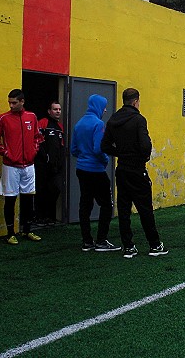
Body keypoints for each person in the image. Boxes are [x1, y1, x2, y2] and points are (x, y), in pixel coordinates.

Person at [101, 88, 168, 258]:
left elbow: (105, 146)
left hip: (122, 169)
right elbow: (145, 145)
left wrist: (121, 154)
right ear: (136, 101)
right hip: (137, 170)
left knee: (123, 210)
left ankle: (128, 246)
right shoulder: (139, 119)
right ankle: (154, 245)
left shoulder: (112, 120)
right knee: (145, 208)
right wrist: (141, 157)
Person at [71, 94, 121, 252]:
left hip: (82, 169)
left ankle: (87, 241)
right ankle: (101, 240)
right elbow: (99, 149)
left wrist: (84, 158)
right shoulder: (98, 124)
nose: (105, 109)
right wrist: (105, 160)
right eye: (104, 106)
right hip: (96, 170)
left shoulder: (79, 124)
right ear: (98, 106)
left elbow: (73, 150)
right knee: (106, 204)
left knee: (85, 204)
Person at [0, 89, 43, 244]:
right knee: (10, 199)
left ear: (22, 101)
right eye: (9, 102)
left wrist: (34, 151)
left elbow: (37, 137)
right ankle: (10, 233)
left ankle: (27, 230)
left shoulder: (32, 117)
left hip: (29, 165)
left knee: (29, 198)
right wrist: (6, 153)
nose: (11, 105)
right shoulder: (3, 118)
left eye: (14, 102)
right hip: (10, 166)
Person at [34, 101, 65, 225]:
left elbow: (61, 146)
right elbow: (38, 141)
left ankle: (49, 216)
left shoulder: (60, 127)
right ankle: (39, 217)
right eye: (55, 109)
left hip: (56, 167)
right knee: (41, 190)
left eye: (59, 109)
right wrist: (45, 157)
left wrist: (60, 162)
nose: (58, 111)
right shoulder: (43, 123)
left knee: (55, 189)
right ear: (49, 111)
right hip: (43, 165)